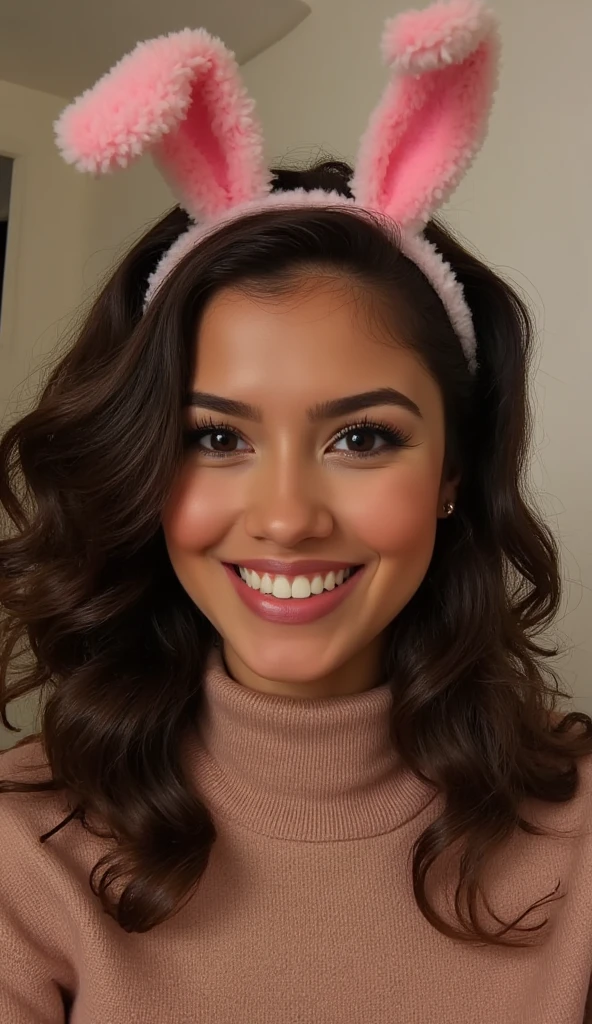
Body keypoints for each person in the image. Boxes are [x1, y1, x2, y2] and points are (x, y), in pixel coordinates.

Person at [0, 1, 591, 1021]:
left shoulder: (579, 838)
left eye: (361, 437)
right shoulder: (25, 848)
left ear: (453, 469)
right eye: (216, 437)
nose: (285, 517)